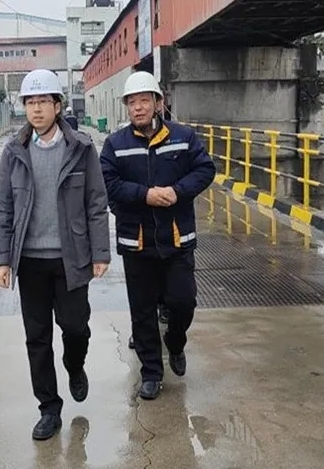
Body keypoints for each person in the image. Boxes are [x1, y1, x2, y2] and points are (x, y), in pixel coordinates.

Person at [0, 68, 111, 441]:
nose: (37, 109)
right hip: (30, 262)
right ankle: (48, 408)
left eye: (44, 101)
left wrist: (100, 252)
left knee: (75, 327)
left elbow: (96, 202)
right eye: (30, 102)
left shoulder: (81, 149)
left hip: (71, 258)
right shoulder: (14, 151)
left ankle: (74, 365)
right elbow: (2, 207)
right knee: (37, 337)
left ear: (57, 106)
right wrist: (1, 258)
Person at [99, 70, 215, 401]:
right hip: (137, 241)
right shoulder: (115, 145)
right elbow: (108, 184)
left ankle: (175, 342)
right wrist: (144, 195)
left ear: (158, 103)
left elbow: (205, 169)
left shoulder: (183, 137)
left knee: (183, 302)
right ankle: (151, 372)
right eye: (132, 102)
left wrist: (178, 192)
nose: (137, 108)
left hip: (177, 239)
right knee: (142, 311)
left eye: (143, 101)